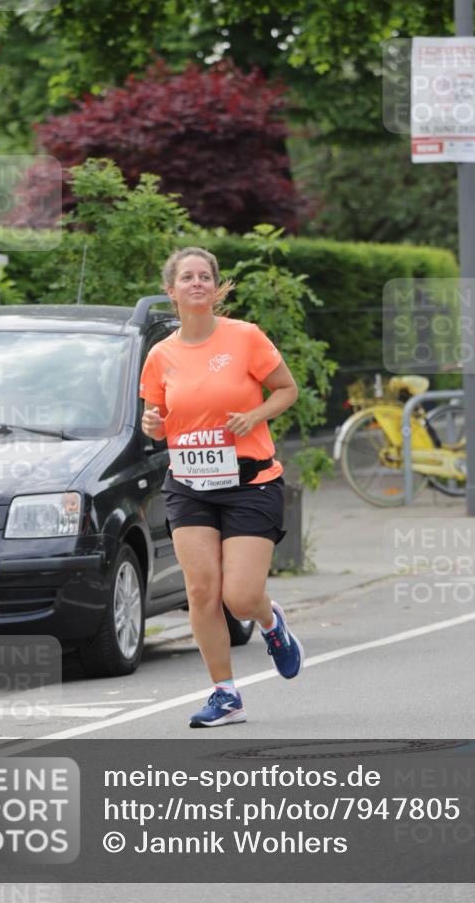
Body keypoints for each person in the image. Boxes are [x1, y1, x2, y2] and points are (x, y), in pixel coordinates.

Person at [140, 246, 304, 727]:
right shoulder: (160, 355)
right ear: (172, 291)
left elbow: (287, 389)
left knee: (240, 597)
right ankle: (225, 695)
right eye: (186, 277)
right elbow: (156, 423)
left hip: (250, 482)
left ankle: (270, 622)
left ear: (216, 287)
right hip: (189, 484)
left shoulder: (245, 338)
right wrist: (153, 424)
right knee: (202, 591)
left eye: (204, 276)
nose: (196, 283)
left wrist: (254, 415)